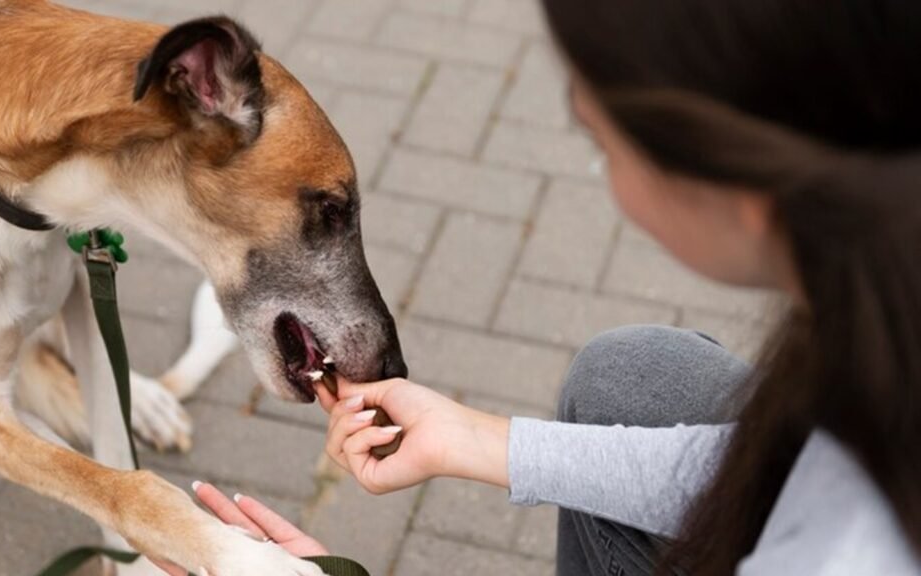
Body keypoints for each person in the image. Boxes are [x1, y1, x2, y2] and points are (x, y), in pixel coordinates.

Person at [173, 0, 921, 574]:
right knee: (631, 379)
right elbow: (772, 472)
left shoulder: (846, 549)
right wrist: (479, 441)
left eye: (602, 144)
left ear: (733, 177)